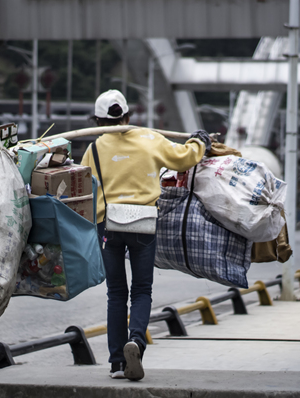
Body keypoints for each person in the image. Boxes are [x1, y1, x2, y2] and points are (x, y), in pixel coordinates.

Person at [81, 89, 211, 381]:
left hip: (108, 226)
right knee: (142, 290)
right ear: (127, 116)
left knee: (116, 293)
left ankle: (117, 364)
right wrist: (199, 141)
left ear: (98, 122)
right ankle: (136, 342)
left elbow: (84, 186)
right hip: (143, 224)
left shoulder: (95, 149)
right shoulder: (150, 139)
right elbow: (184, 158)